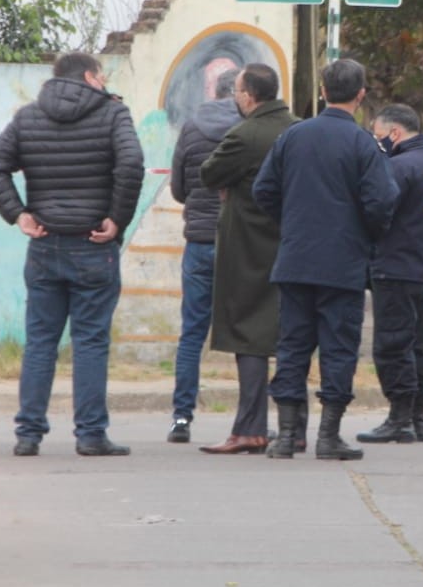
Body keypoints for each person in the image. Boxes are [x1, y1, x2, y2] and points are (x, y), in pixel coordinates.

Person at [0, 52, 144, 457]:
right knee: (89, 341)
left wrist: (18, 215)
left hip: (45, 244)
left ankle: (28, 434)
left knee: (40, 342)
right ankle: (90, 435)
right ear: (90, 76)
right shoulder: (113, 114)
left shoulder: (28, 117)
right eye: (101, 76)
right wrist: (117, 219)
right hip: (94, 244)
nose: (104, 82)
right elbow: (133, 163)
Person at [253, 59, 399, 461]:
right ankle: (328, 435)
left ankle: (285, 437)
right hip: (343, 262)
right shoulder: (362, 143)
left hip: (296, 257)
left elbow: (264, 189)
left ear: (322, 91)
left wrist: (293, 223)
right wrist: (364, 233)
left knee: (292, 346)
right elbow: (383, 201)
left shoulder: (293, 136)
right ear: (361, 94)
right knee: (338, 348)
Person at [196, 64, 298, 454]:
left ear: (247, 96)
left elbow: (209, 173)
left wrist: (231, 186)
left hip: (249, 248)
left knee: (248, 337)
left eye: (238, 92)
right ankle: (294, 428)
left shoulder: (245, 134)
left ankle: (250, 428)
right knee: (292, 336)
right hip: (292, 245)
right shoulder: (297, 128)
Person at [357, 104, 423, 445]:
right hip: (422, 266)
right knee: (416, 344)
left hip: (395, 266)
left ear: (394, 133)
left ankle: (399, 418)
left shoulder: (398, 166)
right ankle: (418, 418)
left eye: (378, 135)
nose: (376, 142)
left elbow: (378, 211)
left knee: (392, 345)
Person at [165, 69, 242, 444]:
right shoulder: (249, 127)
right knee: (247, 334)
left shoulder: (192, 125)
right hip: (239, 243)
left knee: (191, 333)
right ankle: (249, 420)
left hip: (198, 240)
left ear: (216, 90)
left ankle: (181, 417)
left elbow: (178, 188)